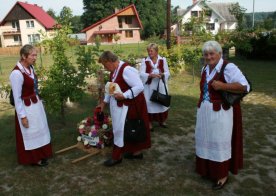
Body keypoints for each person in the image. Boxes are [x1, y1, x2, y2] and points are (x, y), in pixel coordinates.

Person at [195, 41, 250, 190]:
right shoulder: (205, 69)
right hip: (205, 113)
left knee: (219, 142)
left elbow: (245, 86)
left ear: (219, 54)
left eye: (212, 53)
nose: (209, 56)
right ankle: (207, 170)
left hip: (221, 113)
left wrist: (223, 86)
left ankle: (221, 175)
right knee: (205, 140)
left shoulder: (228, 67)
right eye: (206, 54)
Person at [98, 51, 151, 167]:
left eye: (105, 65)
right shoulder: (114, 72)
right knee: (128, 128)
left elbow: (139, 86)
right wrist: (104, 103)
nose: (105, 67)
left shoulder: (126, 70)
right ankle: (136, 153)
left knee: (121, 129)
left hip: (129, 106)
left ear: (110, 61)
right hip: (122, 106)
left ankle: (117, 157)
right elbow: (111, 88)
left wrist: (124, 95)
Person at [9, 44, 52, 166]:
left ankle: (42, 154)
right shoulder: (16, 74)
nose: (35, 57)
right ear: (24, 56)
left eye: (36, 55)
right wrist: (22, 116)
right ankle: (33, 158)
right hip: (26, 109)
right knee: (30, 132)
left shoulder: (31, 68)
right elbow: (17, 98)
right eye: (33, 55)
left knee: (39, 129)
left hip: (35, 106)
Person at [140, 43, 170, 131]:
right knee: (149, 104)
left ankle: (162, 121)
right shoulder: (144, 60)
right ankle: (149, 123)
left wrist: (162, 75)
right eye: (148, 51)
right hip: (149, 87)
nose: (149, 53)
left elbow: (167, 72)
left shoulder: (163, 60)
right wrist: (149, 75)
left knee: (161, 102)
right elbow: (141, 73)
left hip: (160, 86)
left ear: (156, 51)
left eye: (151, 51)